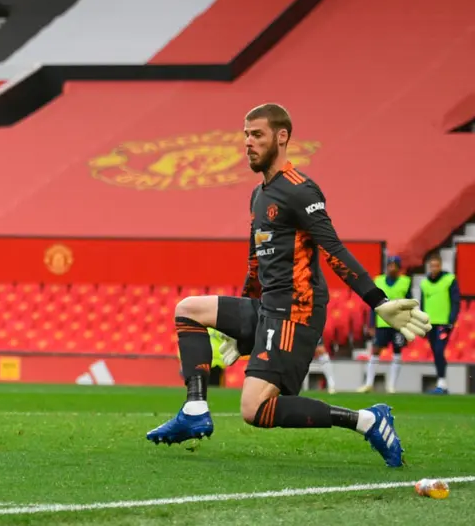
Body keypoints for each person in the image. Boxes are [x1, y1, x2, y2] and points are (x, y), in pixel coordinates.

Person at [146, 103, 430, 468]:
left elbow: (334, 248)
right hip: (267, 306)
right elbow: (255, 263)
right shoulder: (258, 194)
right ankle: (195, 408)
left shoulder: (301, 191)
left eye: (257, 135)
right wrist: (240, 325)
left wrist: (377, 301)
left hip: (296, 310)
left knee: (254, 409)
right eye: (245, 135)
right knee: (187, 309)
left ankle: (367, 420)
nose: (248, 142)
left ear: (282, 137)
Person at [358, 255, 412, 393]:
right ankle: (369, 383)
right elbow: (373, 303)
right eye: (389, 265)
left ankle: (391, 386)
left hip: (398, 323)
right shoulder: (379, 280)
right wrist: (371, 324)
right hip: (382, 322)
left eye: (394, 266)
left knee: (397, 352)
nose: (391, 268)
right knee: (375, 351)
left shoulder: (405, 282)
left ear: (399, 268)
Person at [420, 253, 459, 394]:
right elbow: (423, 305)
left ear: (441, 266)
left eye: (436, 266)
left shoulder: (449, 280)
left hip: (444, 323)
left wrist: (451, 321)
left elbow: (455, 302)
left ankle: (442, 382)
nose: (434, 268)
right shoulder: (424, 283)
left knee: (438, 350)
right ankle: (442, 384)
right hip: (430, 323)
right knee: (435, 352)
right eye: (431, 266)